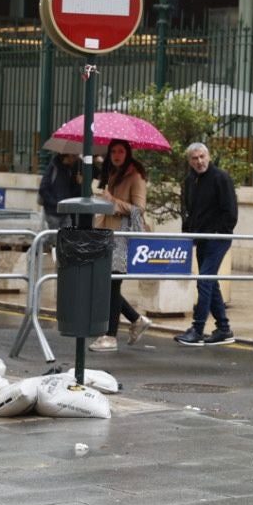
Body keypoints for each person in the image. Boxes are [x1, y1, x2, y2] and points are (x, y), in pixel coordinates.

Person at [174, 142, 238, 346]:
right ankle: (223, 328)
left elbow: (230, 211)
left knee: (204, 281)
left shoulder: (221, 178)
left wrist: (220, 232)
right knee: (210, 282)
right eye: (195, 158)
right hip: (201, 238)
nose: (199, 161)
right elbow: (189, 211)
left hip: (217, 239)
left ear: (208, 157)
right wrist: (189, 235)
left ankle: (198, 328)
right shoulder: (190, 180)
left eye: (202, 157)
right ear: (189, 161)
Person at [92, 138, 153, 352]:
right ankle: (136, 320)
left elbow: (139, 210)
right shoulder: (112, 174)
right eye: (113, 151)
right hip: (108, 235)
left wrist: (112, 200)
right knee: (107, 284)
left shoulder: (135, 177)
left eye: (120, 151)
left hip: (122, 238)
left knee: (112, 284)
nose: (116, 155)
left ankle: (110, 336)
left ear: (128, 154)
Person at [38, 151, 84, 229]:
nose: (76, 159)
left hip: (66, 213)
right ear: (68, 155)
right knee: (53, 238)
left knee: (66, 238)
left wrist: (79, 184)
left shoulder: (70, 169)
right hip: (53, 213)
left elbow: (73, 192)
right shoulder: (53, 167)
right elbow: (43, 189)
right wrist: (55, 203)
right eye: (75, 156)